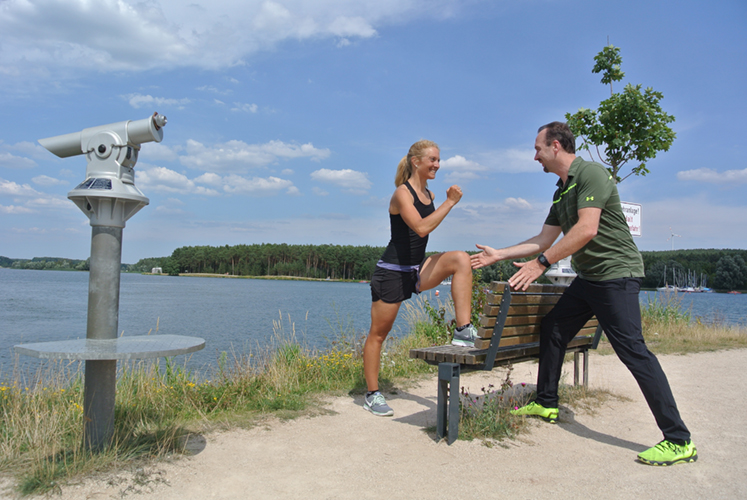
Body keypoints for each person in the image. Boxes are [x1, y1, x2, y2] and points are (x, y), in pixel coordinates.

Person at [471, 122, 697, 466]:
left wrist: (541, 264)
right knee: (555, 327)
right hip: (590, 277)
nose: (535, 157)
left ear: (556, 146)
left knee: (634, 353)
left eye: (538, 149)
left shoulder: (592, 174)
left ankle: (679, 439)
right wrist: (498, 255)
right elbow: (544, 239)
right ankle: (546, 402)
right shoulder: (561, 190)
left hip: (616, 275)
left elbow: (587, 229)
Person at [363, 139, 478, 417]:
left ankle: (463, 330)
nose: (437, 165)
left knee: (461, 258)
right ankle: (372, 394)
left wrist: (444, 202)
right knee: (379, 335)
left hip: (416, 269)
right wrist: (451, 203)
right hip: (392, 273)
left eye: (439, 160)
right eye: (433, 160)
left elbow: (423, 234)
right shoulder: (402, 194)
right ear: (416, 162)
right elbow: (422, 228)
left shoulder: (429, 194)